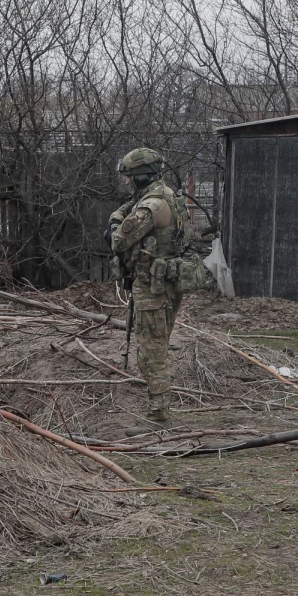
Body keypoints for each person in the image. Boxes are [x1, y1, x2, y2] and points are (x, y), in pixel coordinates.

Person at [109, 147, 188, 423]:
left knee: (152, 352)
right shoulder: (168, 195)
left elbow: (119, 240)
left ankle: (158, 416)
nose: (126, 181)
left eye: (130, 177)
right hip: (165, 282)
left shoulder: (150, 205)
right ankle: (160, 410)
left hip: (152, 287)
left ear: (141, 177)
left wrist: (116, 220)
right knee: (157, 347)